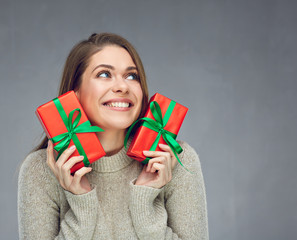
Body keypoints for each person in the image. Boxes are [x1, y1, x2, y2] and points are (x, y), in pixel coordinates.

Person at [18, 33, 209, 239]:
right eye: (104, 74)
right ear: (75, 92)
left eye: (131, 76)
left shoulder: (175, 160)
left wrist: (145, 204)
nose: (122, 86)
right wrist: (81, 204)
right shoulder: (39, 170)